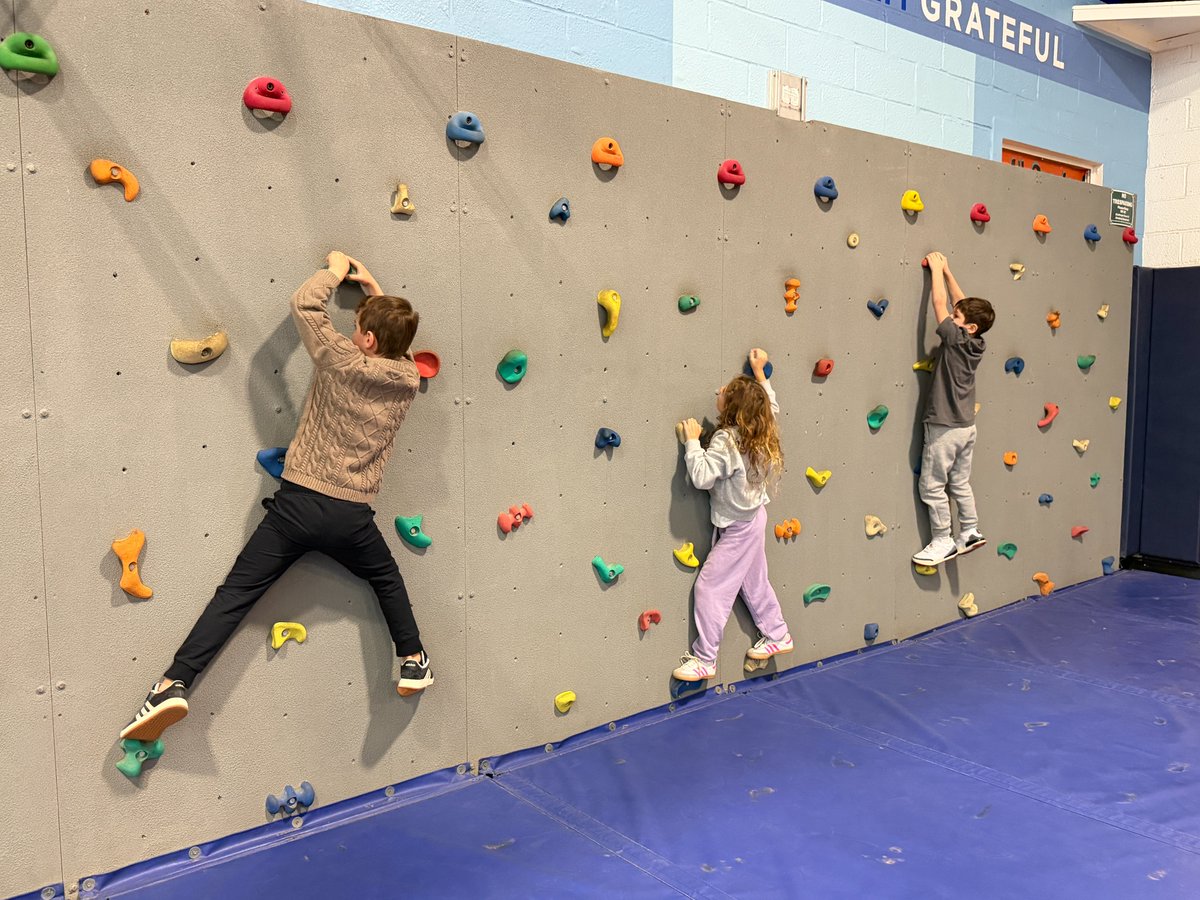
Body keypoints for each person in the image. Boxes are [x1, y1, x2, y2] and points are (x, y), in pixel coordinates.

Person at [120, 251, 431, 743]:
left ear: (367, 340)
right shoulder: (408, 381)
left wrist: (334, 270)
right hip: (351, 516)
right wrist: (375, 293)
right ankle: (413, 660)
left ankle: (171, 684)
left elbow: (306, 307)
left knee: (235, 596)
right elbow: (399, 350)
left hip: (298, 505)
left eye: (359, 329)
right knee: (387, 580)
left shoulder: (342, 360)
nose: (352, 333)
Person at [672, 348, 792, 682]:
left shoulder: (726, 440)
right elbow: (771, 407)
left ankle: (705, 658)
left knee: (709, 588)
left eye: (725, 392)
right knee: (754, 584)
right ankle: (778, 634)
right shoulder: (760, 429)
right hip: (753, 519)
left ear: (734, 406)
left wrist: (693, 443)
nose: (718, 393)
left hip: (739, 527)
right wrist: (761, 376)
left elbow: (701, 477)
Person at [912, 250, 995, 567]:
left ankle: (943, 539)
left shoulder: (956, 338)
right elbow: (962, 304)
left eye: (958, 319)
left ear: (967, 327)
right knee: (959, 482)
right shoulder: (977, 341)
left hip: (944, 426)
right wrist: (948, 271)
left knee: (932, 486)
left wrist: (935, 270)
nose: (953, 318)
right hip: (966, 427)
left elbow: (940, 305)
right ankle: (971, 530)